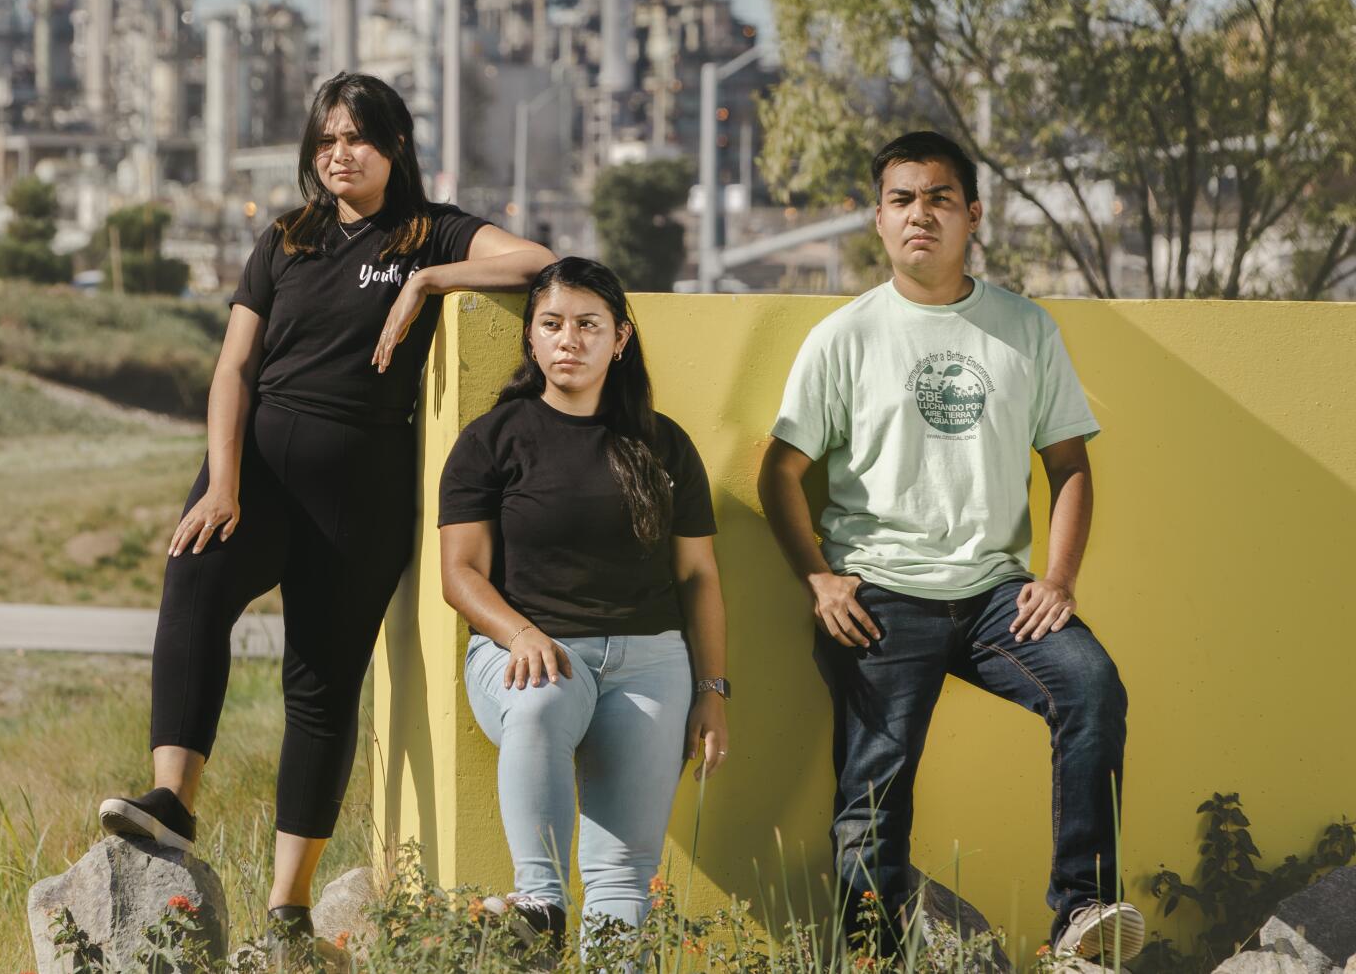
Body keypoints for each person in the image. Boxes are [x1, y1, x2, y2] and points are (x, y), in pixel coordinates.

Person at [99, 73, 554, 949]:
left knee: (320, 683)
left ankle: (288, 907)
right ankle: (172, 802)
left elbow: (534, 261)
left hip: (363, 493)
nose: (338, 154)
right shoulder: (285, 238)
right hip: (257, 472)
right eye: (325, 140)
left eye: (356, 139)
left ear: (394, 149)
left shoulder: (432, 230)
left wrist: (427, 281)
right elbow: (233, 368)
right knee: (191, 582)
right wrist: (223, 482)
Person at [757, 130, 1140, 962]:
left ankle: (1081, 913)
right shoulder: (844, 336)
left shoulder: (1023, 328)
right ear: (879, 219)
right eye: (901, 199)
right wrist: (819, 579)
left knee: (1091, 688)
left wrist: (1060, 577)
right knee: (873, 790)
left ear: (972, 215)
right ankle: (871, 951)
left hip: (998, 593)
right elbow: (778, 473)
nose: (919, 214)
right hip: (881, 592)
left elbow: (1069, 463)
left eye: (937, 198)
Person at [437, 256, 730, 958]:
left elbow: (698, 577)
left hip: (652, 661)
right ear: (532, 340)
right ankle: (538, 907)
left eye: (588, 324)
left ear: (620, 338)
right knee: (538, 701)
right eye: (553, 324)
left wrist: (713, 691)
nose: (569, 339)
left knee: (625, 883)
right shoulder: (491, 440)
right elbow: (460, 573)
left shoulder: (664, 443)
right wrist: (520, 632)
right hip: (527, 655)